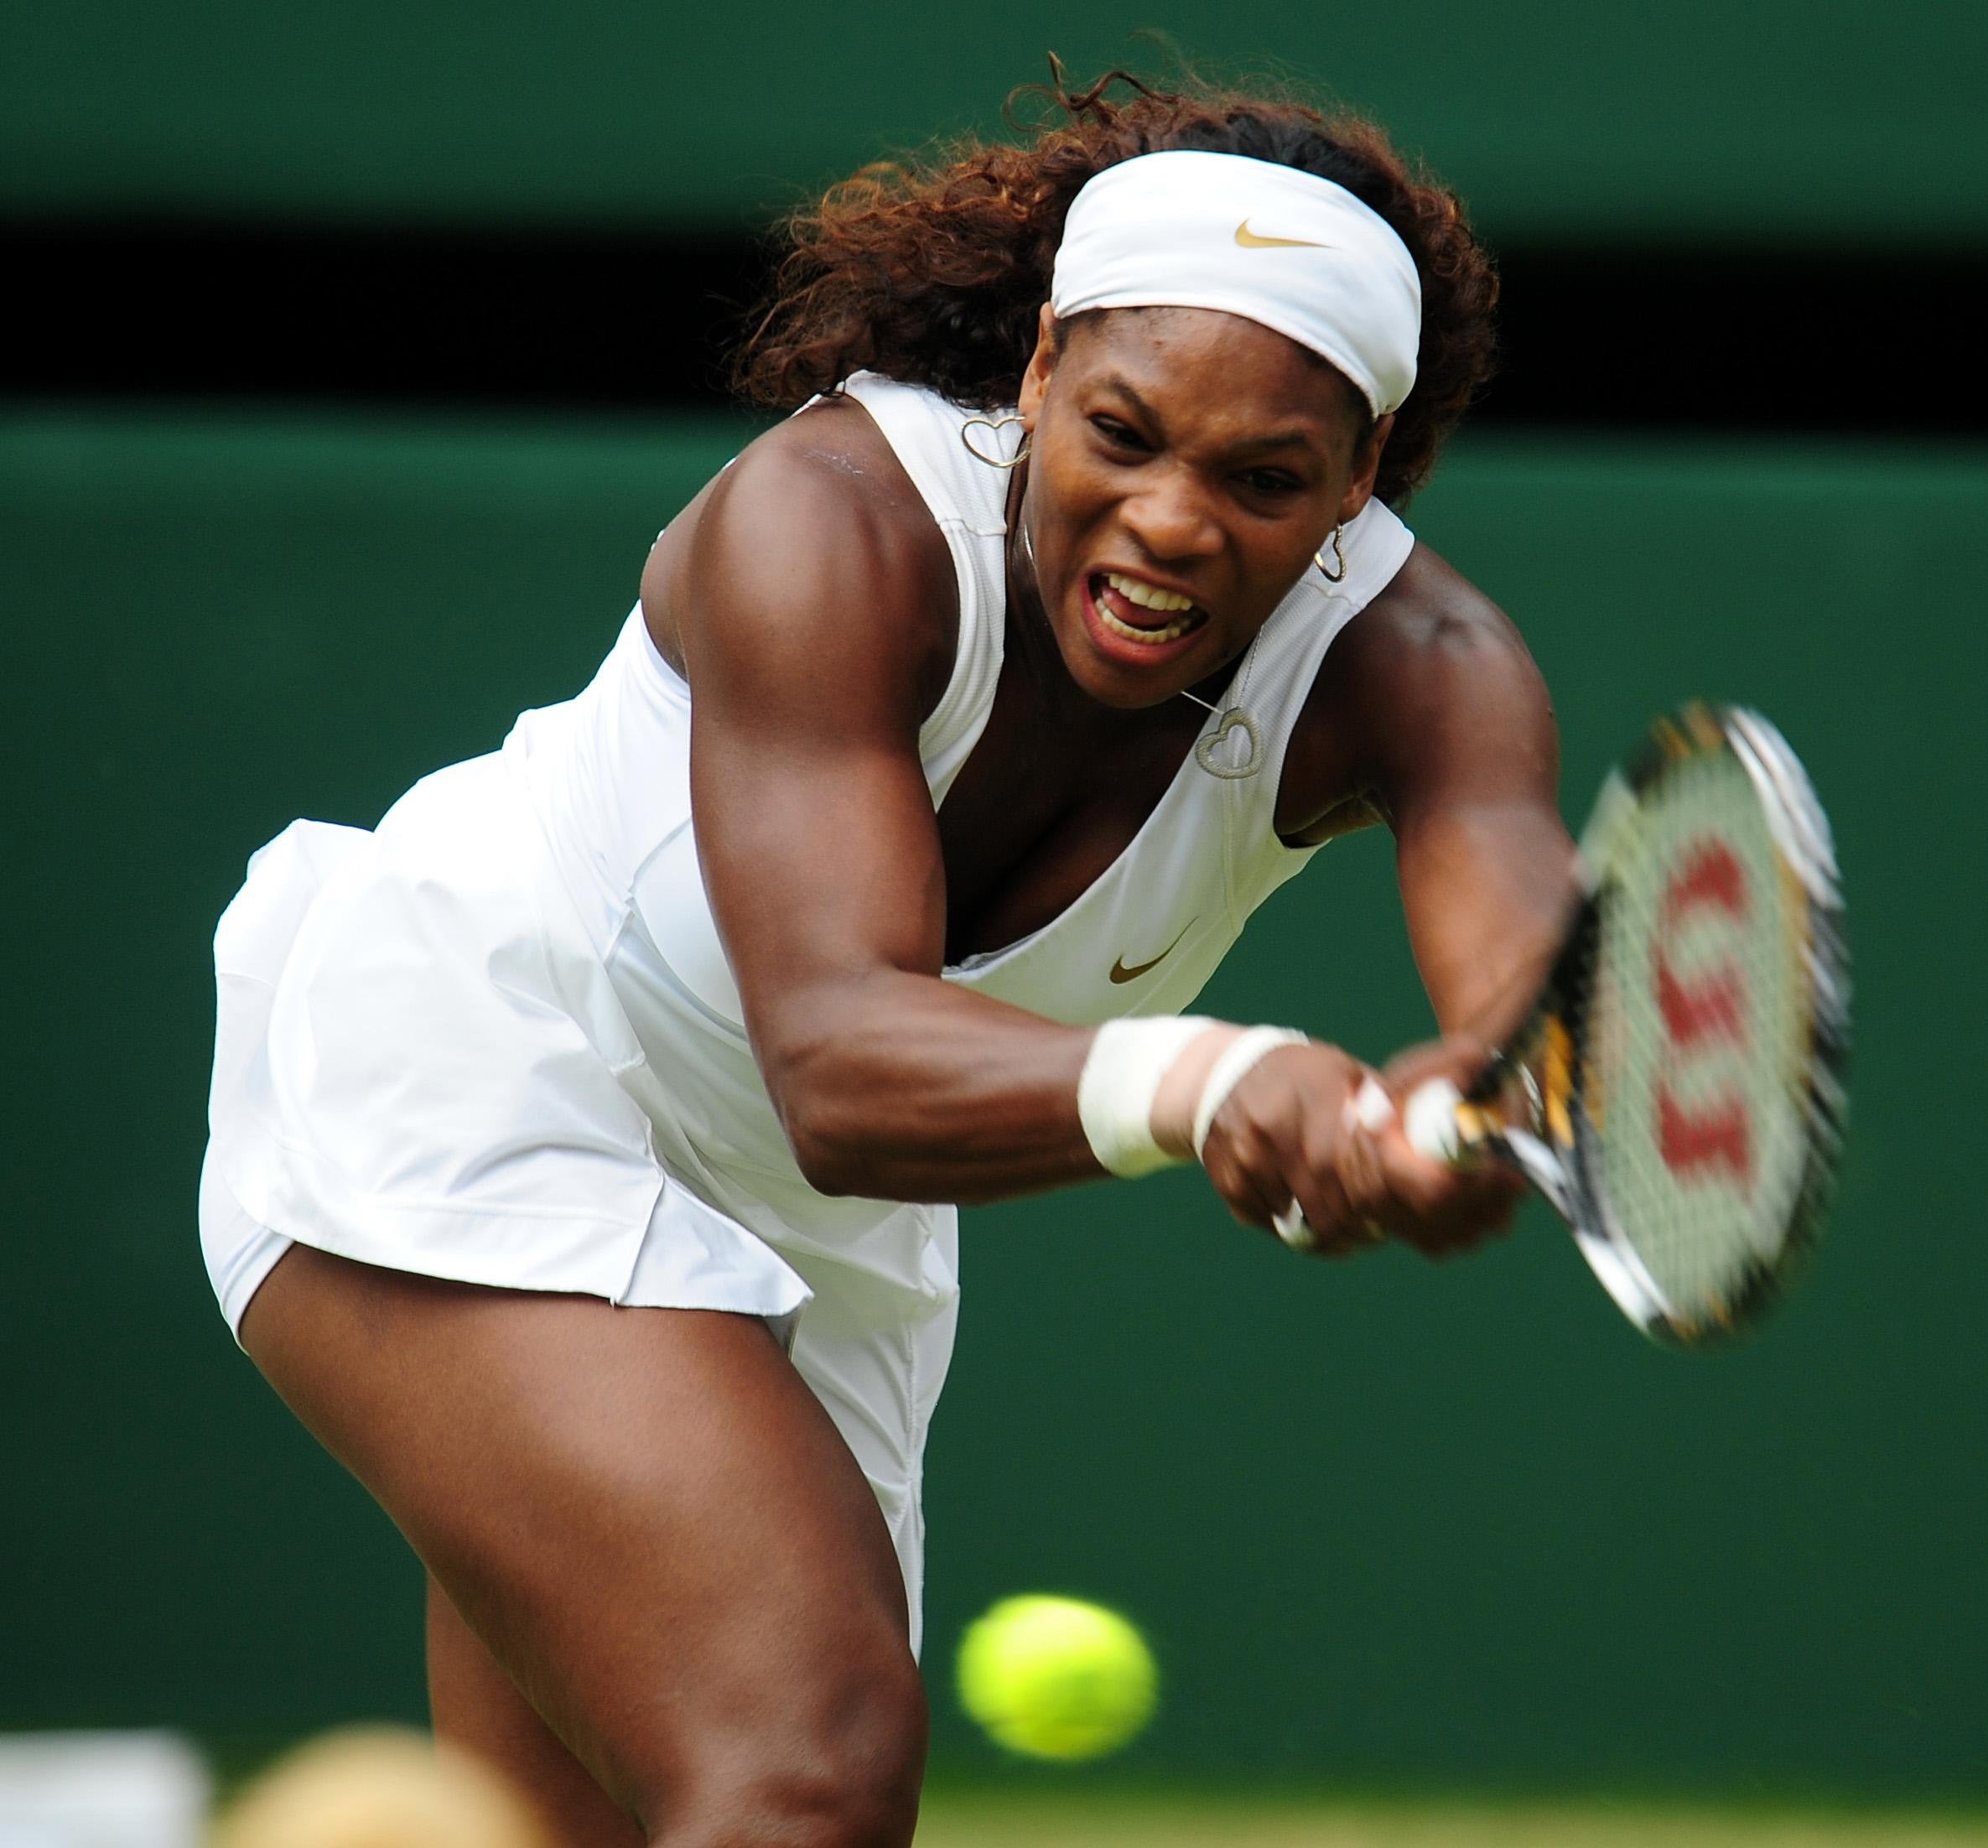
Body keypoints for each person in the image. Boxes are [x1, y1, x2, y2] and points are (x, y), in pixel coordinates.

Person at [199, 70, 1572, 1848]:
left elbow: (1520, 995)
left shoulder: (1430, 664)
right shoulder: (830, 520)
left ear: (1359, 481)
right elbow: (842, 1068)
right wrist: (1225, 1081)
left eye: (1263, 479)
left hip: (809, 1231)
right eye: (1124, 432)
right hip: (487, 1063)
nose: (1167, 521)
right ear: (1042, 364)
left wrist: (1468, 1107)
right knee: (811, 1761)